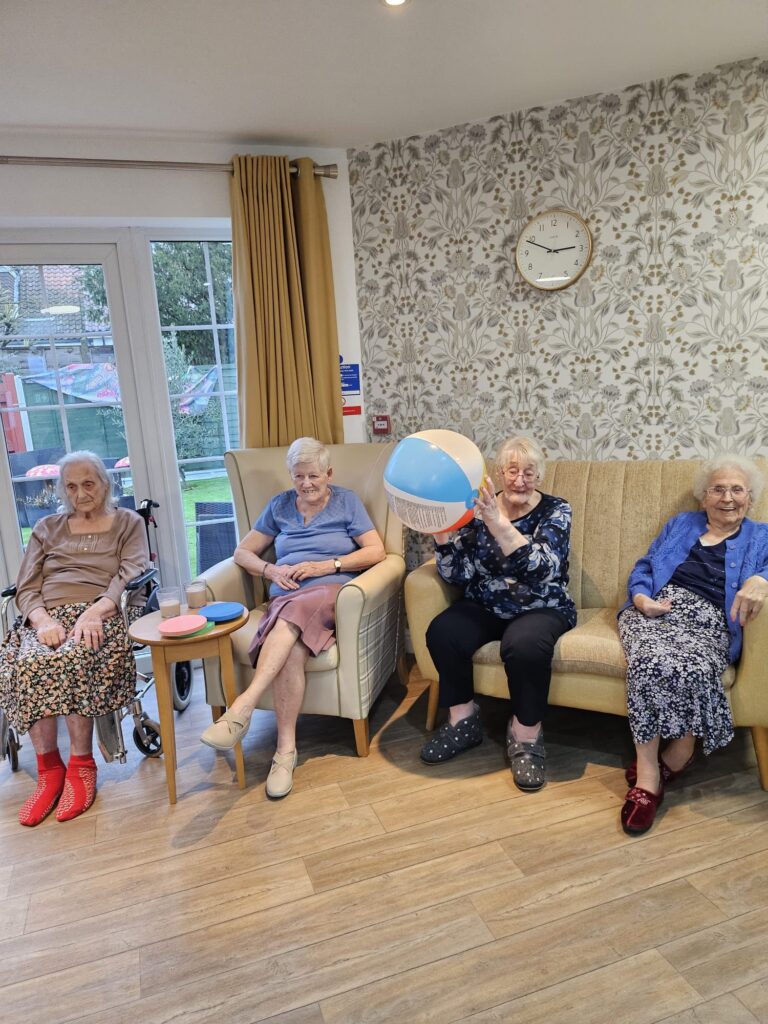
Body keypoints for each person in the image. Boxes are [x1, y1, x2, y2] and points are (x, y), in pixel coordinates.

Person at [200, 437, 386, 799]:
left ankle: (243, 707)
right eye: (299, 476)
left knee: (293, 614)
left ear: (329, 473)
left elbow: (376, 551)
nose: (306, 483)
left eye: (313, 475)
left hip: (330, 592)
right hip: (286, 594)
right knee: (291, 653)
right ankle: (285, 753)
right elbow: (243, 552)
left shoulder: (347, 502)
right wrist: (269, 570)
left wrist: (327, 565)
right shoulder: (279, 506)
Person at [619, 454, 768, 836]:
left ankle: (681, 750)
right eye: (718, 489)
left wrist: (761, 579)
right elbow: (646, 566)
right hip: (656, 610)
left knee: (694, 666)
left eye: (737, 490)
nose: (727, 498)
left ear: (750, 497)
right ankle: (649, 774)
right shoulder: (682, 524)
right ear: (704, 496)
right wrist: (641, 599)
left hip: (710, 623)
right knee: (648, 660)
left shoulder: (761, 536)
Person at [0, 451, 149, 826]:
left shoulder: (127, 522)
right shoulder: (46, 527)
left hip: (101, 614)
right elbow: (26, 586)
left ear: (105, 484)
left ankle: (82, 767)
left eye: (88, 483)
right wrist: (41, 619)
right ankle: (50, 771)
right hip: (47, 618)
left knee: (73, 659)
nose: (80, 493)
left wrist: (97, 609)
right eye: (71, 486)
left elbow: (132, 571)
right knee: (28, 664)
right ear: (61, 490)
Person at [419, 435, 575, 791]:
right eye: (512, 471)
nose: (520, 480)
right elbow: (459, 575)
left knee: (524, 646)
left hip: (541, 605)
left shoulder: (556, 510)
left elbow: (543, 569)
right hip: (486, 603)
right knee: (444, 631)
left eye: (529, 472)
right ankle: (463, 722)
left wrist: (498, 523)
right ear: (500, 473)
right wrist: (442, 539)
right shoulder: (479, 511)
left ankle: (526, 735)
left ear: (540, 475)